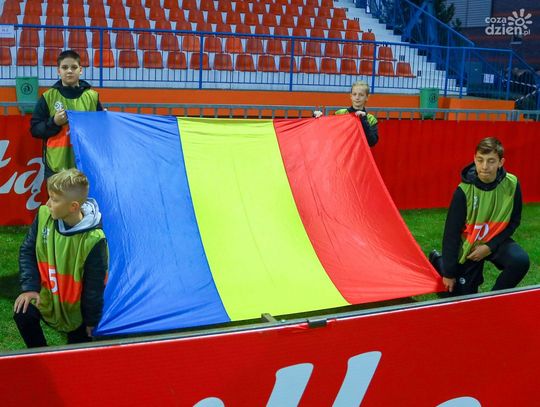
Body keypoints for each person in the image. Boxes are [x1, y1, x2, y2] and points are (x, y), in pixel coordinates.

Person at [13, 168, 108, 348]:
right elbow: (27, 251)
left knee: (78, 351)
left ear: (73, 206)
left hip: (75, 308)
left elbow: (94, 287)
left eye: (54, 200)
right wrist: (30, 288)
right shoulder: (44, 216)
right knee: (23, 312)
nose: (48, 203)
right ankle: (40, 353)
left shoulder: (94, 240)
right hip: (47, 296)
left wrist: (91, 320)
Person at [430, 137, 529, 296]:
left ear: (501, 162)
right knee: (458, 297)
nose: (484, 166)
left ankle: (492, 301)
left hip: (494, 241)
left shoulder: (512, 184)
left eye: (491, 161)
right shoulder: (463, 191)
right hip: (468, 247)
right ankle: (437, 260)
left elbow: (514, 221)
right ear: (474, 160)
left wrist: (490, 246)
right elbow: (451, 234)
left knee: (520, 261)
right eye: (480, 160)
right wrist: (448, 273)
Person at [30, 49, 103, 179]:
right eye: (64, 67)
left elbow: (100, 131)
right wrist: (54, 122)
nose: (69, 71)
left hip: (85, 164)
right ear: (59, 71)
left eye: (74, 67)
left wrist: (104, 120)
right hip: (56, 166)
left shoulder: (93, 97)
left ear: (80, 70)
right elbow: (35, 129)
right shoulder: (48, 97)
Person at [313, 81, 378, 146]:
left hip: (360, 152)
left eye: (361, 95)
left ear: (367, 97)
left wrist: (364, 120)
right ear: (351, 96)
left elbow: (372, 142)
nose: (357, 97)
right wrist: (317, 118)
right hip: (342, 151)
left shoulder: (371, 119)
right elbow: (326, 130)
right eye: (354, 94)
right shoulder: (340, 113)